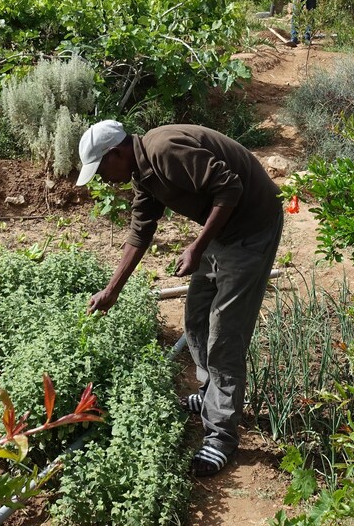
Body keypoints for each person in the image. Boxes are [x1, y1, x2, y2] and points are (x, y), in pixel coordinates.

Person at [76, 120, 284, 478]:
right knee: (197, 318)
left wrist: (196, 246)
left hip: (252, 229)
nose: (103, 179)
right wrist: (111, 291)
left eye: (102, 169)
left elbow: (230, 188)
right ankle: (210, 393)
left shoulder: (164, 149)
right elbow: (140, 231)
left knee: (225, 337)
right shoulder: (144, 175)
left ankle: (221, 437)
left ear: (117, 153)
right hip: (223, 232)